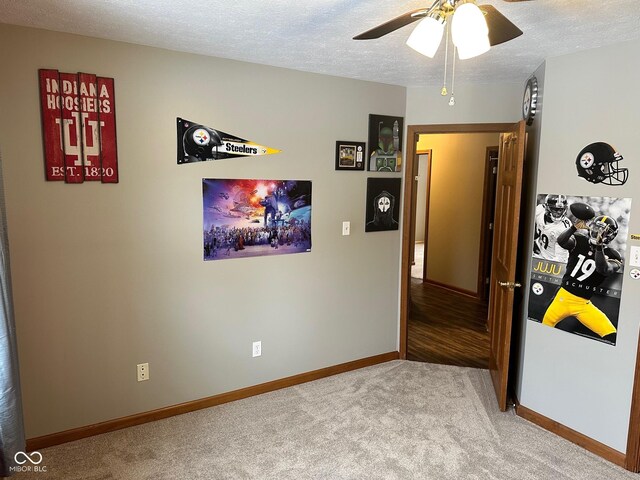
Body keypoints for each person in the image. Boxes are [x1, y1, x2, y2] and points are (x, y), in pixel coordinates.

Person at [541, 214, 622, 340]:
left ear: (610, 236)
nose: (597, 232)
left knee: (611, 334)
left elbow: (604, 269)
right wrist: (574, 227)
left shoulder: (613, 254)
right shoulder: (580, 240)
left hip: (583, 304)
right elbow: (561, 241)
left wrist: (599, 247)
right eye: (596, 228)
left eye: (603, 231)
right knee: (544, 329)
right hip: (563, 297)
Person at [533, 194, 572, 262]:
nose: (558, 213)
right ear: (547, 208)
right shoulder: (539, 211)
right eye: (555, 209)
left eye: (561, 209)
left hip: (551, 260)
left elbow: (561, 259)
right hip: (538, 251)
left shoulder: (563, 227)